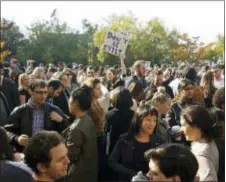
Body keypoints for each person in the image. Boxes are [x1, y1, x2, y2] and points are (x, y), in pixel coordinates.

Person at [4, 79, 69, 152]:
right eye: (39, 92)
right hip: (25, 152)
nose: (43, 96)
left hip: (48, 152)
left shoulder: (54, 110)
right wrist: (17, 139)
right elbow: (6, 132)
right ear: (30, 91)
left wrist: (62, 121)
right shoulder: (20, 111)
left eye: (45, 92)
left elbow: (67, 130)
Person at [109, 105, 165, 181]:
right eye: (148, 120)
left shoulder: (159, 142)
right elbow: (112, 162)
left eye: (154, 120)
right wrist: (130, 173)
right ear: (139, 121)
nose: (152, 124)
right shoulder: (125, 139)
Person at [60, 87, 98, 182]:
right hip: (89, 171)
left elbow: (70, 156)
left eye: (70, 99)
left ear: (75, 102)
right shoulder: (88, 119)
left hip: (78, 175)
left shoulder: (76, 128)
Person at [181, 105, 219, 181]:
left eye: (184, 125)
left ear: (197, 127)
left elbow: (210, 179)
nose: (181, 129)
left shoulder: (201, 153)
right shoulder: (206, 142)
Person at [166, 79, 200, 144]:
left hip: (195, 140)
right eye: (187, 89)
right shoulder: (174, 106)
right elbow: (169, 125)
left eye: (191, 88)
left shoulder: (197, 106)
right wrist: (174, 132)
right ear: (180, 90)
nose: (190, 91)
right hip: (180, 142)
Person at [105, 87, 134, 155]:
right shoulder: (134, 114)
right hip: (130, 147)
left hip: (114, 147)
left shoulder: (109, 115)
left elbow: (106, 131)